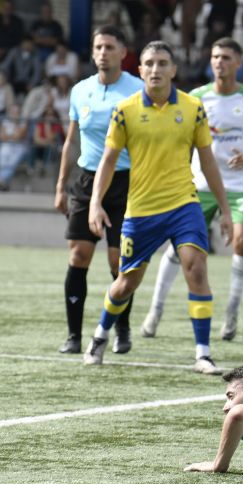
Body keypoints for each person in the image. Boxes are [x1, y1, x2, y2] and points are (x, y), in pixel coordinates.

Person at [83, 41, 233, 375]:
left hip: (184, 205)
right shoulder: (125, 110)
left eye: (162, 63)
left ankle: (203, 354)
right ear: (140, 71)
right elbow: (108, 161)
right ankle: (100, 335)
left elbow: (208, 162)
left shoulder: (193, 108)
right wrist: (95, 203)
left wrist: (225, 210)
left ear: (173, 70)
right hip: (141, 210)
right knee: (126, 283)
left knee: (196, 268)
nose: (155, 69)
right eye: (149, 63)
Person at [140, 38, 243, 342]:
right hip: (199, 185)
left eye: (226, 57)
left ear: (238, 63)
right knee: (179, 248)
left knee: (242, 240)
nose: (219, 62)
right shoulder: (196, 98)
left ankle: (231, 311)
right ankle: (155, 309)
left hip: (238, 186)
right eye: (215, 56)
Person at [53, 26, 144, 355]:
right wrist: (61, 186)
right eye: (98, 47)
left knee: (119, 261)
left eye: (109, 47)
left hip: (126, 182)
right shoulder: (81, 90)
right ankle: (73, 336)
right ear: (92, 53)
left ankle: (122, 328)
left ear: (123, 53)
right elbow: (71, 141)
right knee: (78, 255)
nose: (103, 52)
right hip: (86, 181)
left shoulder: (138, 90)